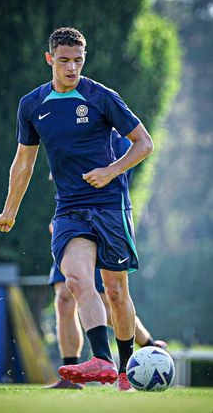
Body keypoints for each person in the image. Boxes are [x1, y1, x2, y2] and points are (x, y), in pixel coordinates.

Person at [0, 27, 154, 391]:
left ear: (84, 59)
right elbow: (23, 163)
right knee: (77, 281)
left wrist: (110, 172)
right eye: (64, 60)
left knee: (115, 292)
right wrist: (9, 211)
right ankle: (101, 359)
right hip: (70, 209)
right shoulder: (32, 105)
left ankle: (125, 369)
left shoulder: (101, 97)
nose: (71, 67)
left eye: (78, 61)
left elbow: (144, 143)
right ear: (50, 59)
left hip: (111, 206)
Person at [46, 132, 166, 390]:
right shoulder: (67, 128)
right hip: (72, 223)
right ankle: (72, 376)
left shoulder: (121, 138)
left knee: (113, 295)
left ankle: (145, 349)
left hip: (108, 220)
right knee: (67, 294)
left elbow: (129, 167)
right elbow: (59, 176)